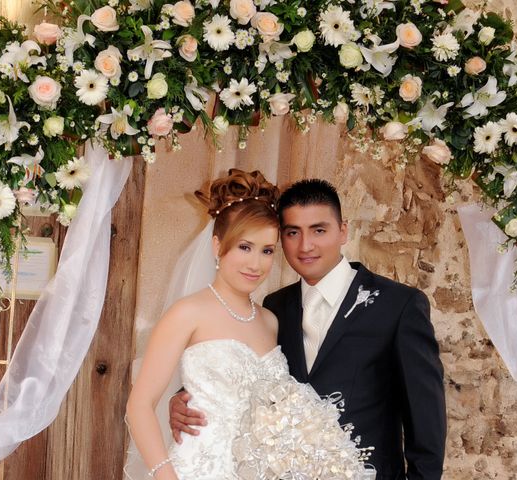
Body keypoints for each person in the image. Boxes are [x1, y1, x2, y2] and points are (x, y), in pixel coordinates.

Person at [169, 179, 447, 480]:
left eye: (319, 230)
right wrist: (185, 398)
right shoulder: (273, 307)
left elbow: (426, 421)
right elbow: (242, 370)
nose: (305, 246)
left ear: (343, 231)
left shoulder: (399, 305)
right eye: (292, 233)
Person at [126, 171, 371, 480]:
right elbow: (139, 405)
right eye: (245, 247)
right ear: (218, 246)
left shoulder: (270, 319)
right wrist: (166, 475)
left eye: (267, 250)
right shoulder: (187, 313)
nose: (256, 264)